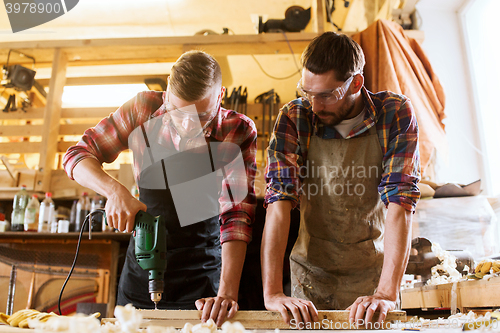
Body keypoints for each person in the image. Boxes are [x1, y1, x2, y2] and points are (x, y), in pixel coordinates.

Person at [63, 50, 257, 326]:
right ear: (167, 93)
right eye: (179, 112)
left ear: (221, 95)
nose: (189, 125)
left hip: (202, 278)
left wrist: (226, 294)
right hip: (143, 270)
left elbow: (237, 215)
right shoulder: (142, 109)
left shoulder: (237, 130)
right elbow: (76, 155)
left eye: (201, 115)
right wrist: (115, 191)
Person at [261, 32, 420, 326]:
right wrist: (272, 293)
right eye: (308, 92)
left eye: (326, 95)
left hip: (374, 273)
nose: (315, 105)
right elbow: (279, 202)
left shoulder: (395, 114)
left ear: (356, 83)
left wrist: (386, 292)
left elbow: (401, 202)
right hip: (311, 275)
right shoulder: (296, 118)